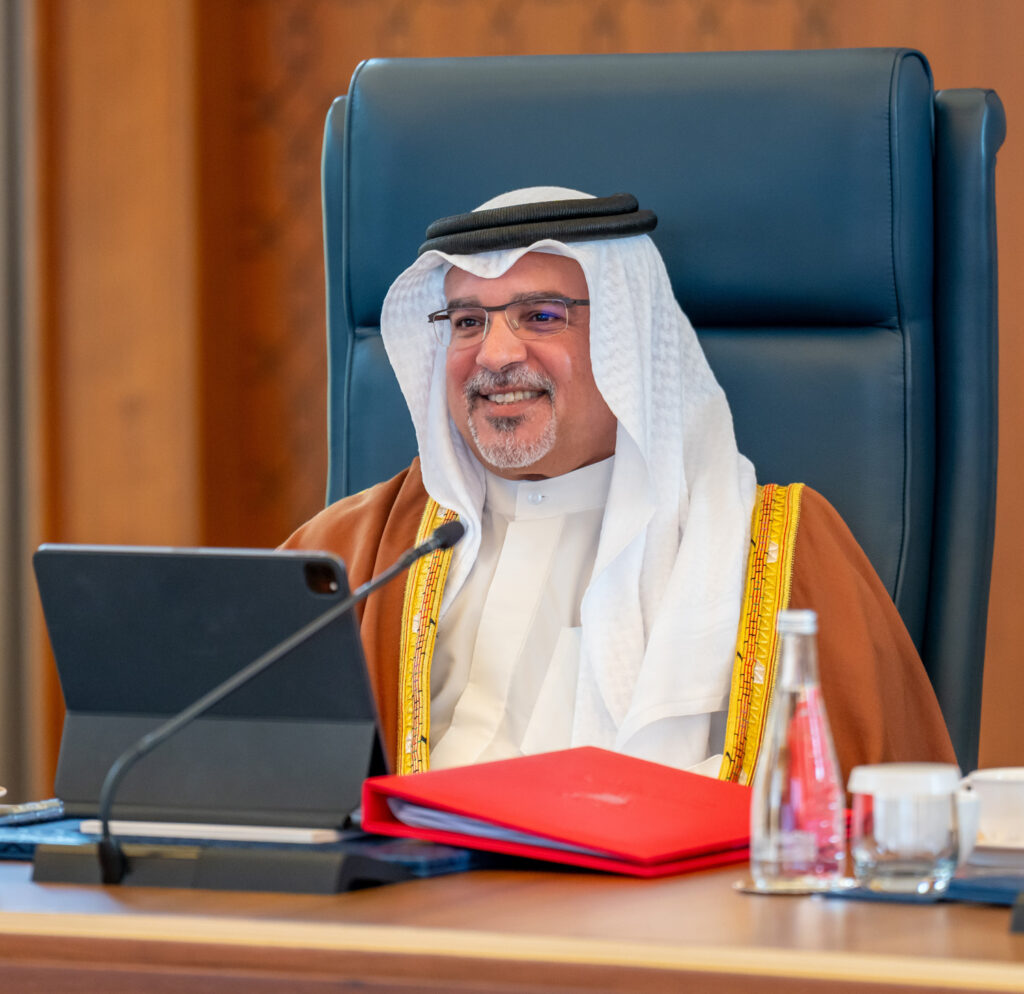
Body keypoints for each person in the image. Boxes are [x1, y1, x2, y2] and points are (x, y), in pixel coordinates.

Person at [282, 187, 955, 783]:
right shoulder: (354, 553)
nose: (495, 355)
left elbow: (876, 821)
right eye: (467, 322)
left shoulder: (780, 553)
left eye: (542, 317)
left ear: (626, 344)